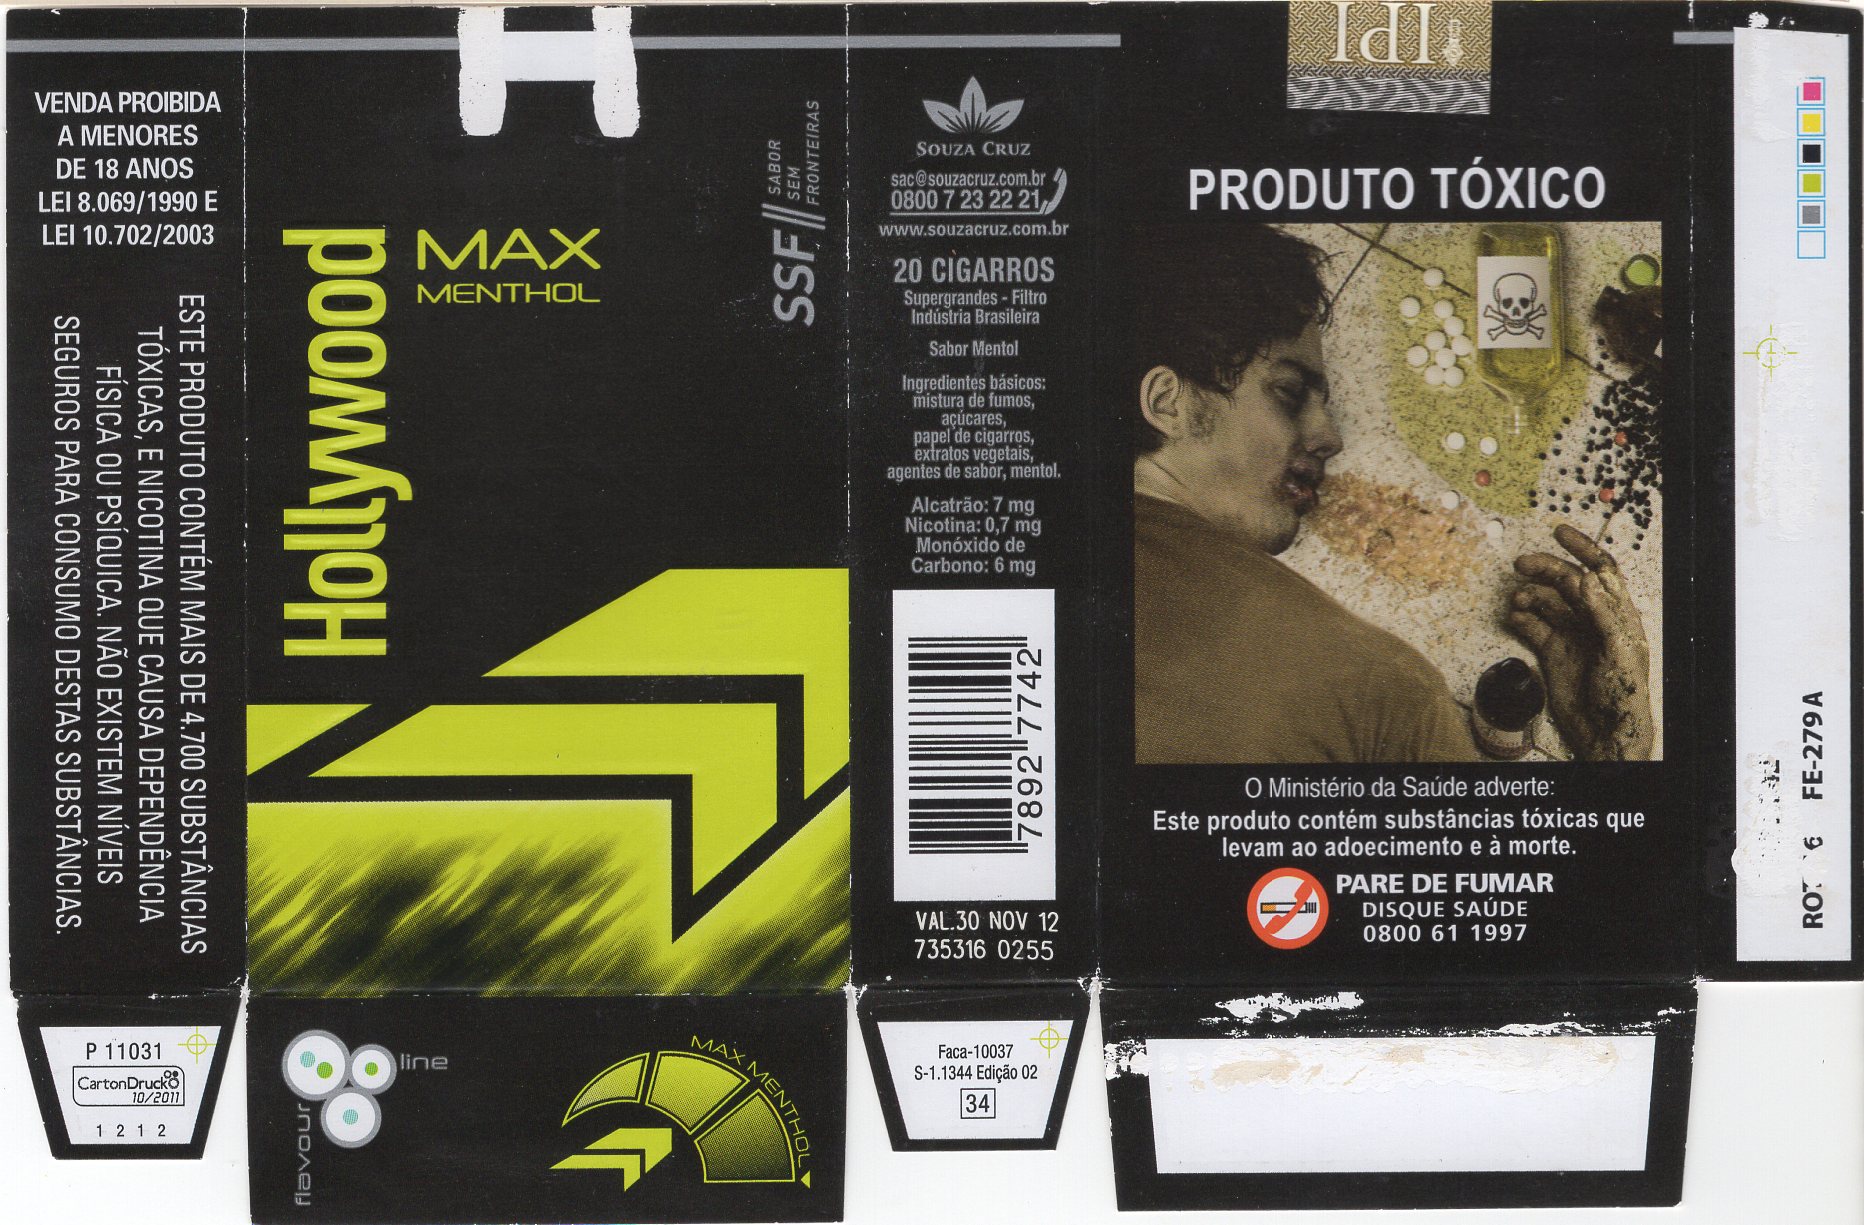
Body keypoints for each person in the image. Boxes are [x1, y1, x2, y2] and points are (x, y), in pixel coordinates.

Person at [1132, 226, 1653, 763]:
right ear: (1167, 401)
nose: (1330, 437)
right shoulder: (1385, 697)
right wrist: (1621, 747)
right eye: (1289, 391)